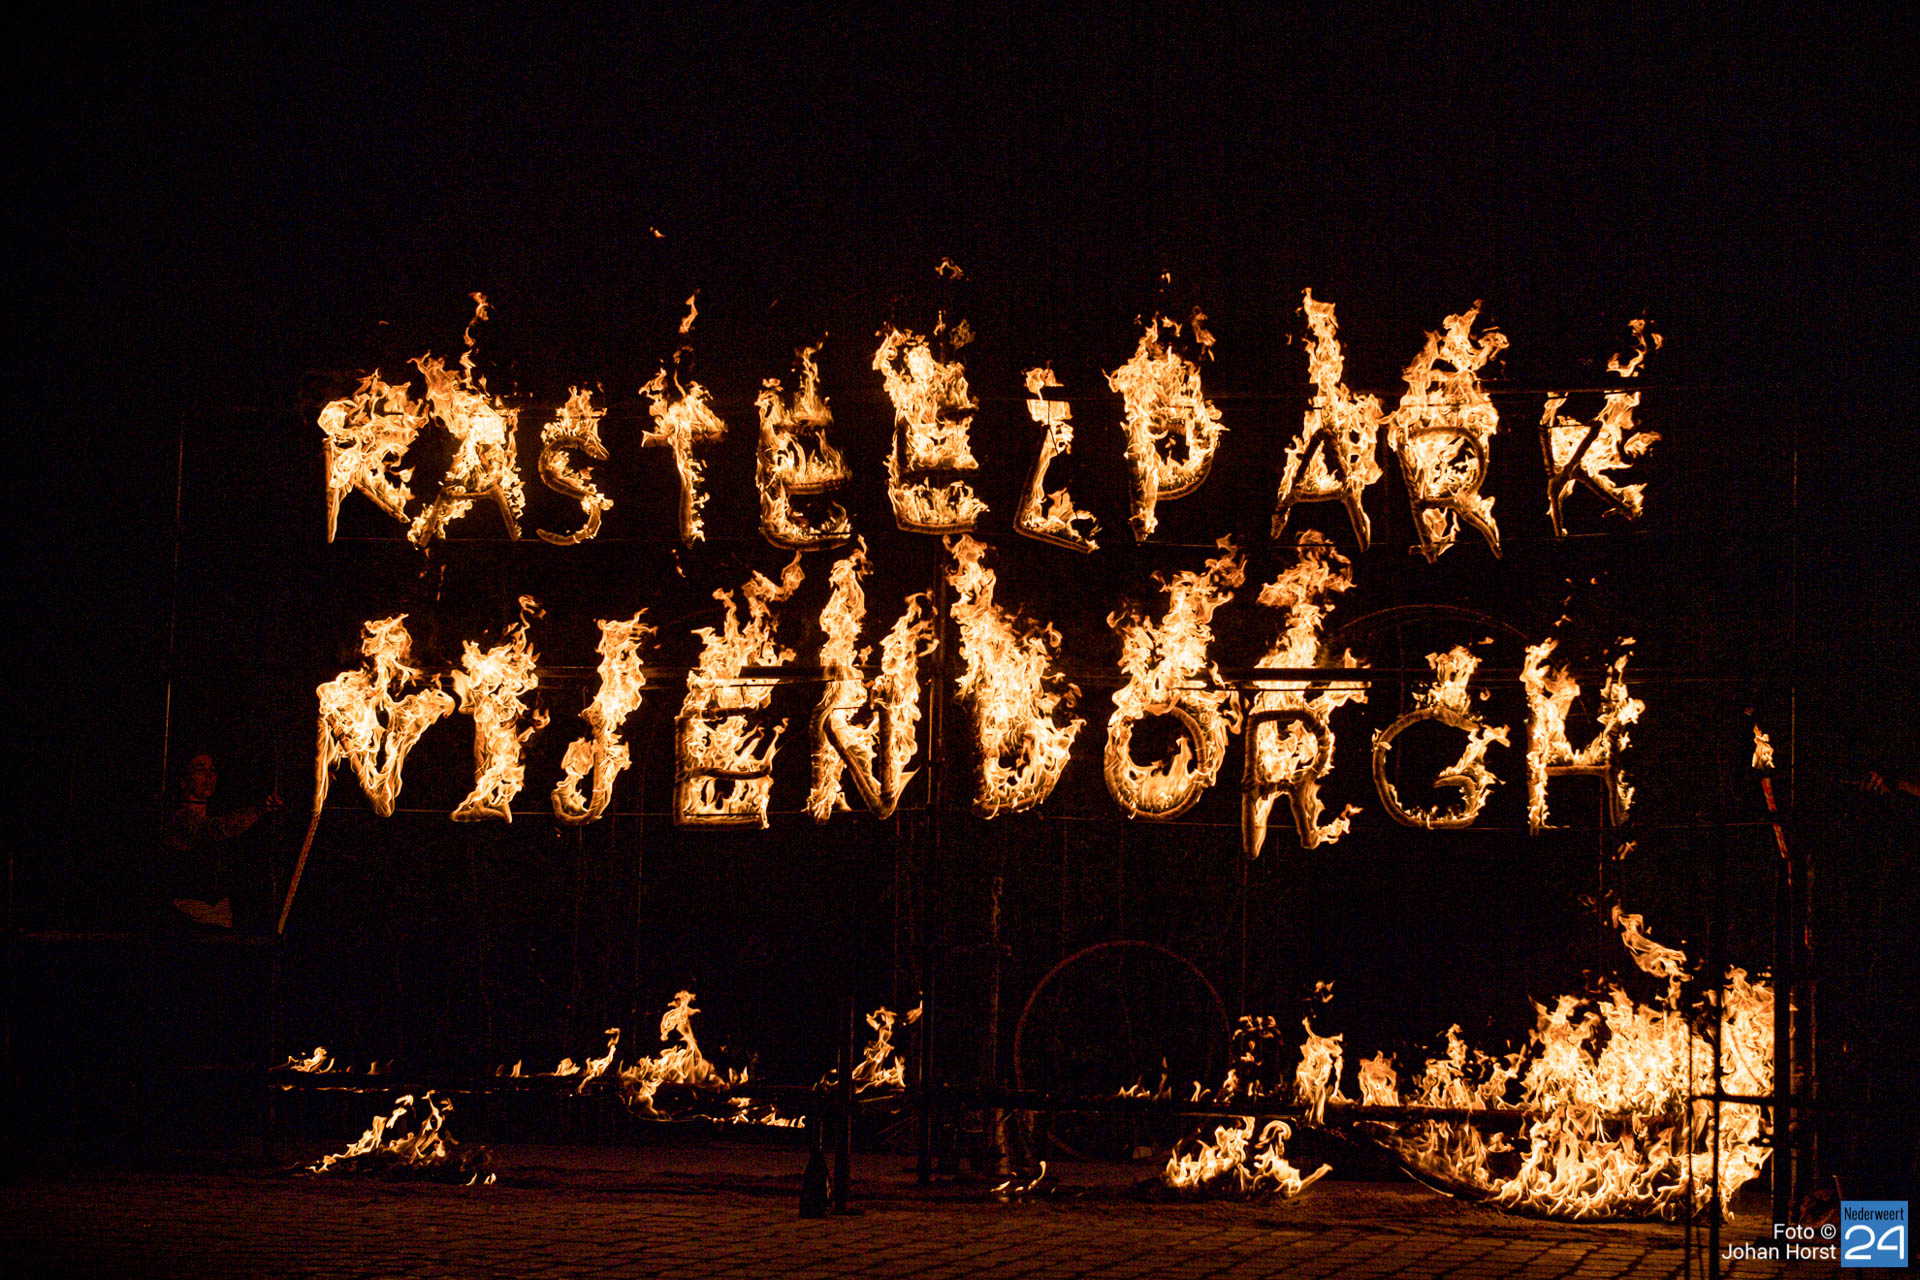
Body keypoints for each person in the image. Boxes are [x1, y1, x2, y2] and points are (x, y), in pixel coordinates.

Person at [161, 752, 282, 929]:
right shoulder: (180, 820)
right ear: (183, 781)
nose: (209, 775)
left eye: (212, 769)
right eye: (200, 769)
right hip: (188, 921)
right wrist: (261, 810)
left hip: (220, 920)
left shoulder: (218, 818)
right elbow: (217, 829)